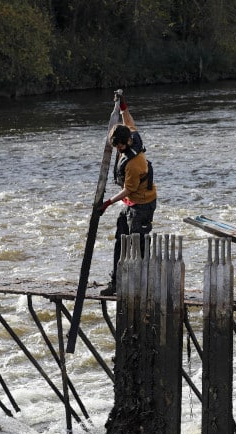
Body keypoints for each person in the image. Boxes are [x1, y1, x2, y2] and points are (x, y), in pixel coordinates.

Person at [98, 101, 157, 296]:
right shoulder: (130, 134)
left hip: (142, 205)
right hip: (132, 205)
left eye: (119, 146)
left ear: (126, 142)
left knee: (139, 245)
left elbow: (128, 190)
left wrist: (107, 203)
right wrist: (123, 108)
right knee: (120, 241)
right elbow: (129, 120)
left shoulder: (134, 164)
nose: (117, 149)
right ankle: (116, 282)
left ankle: (144, 286)